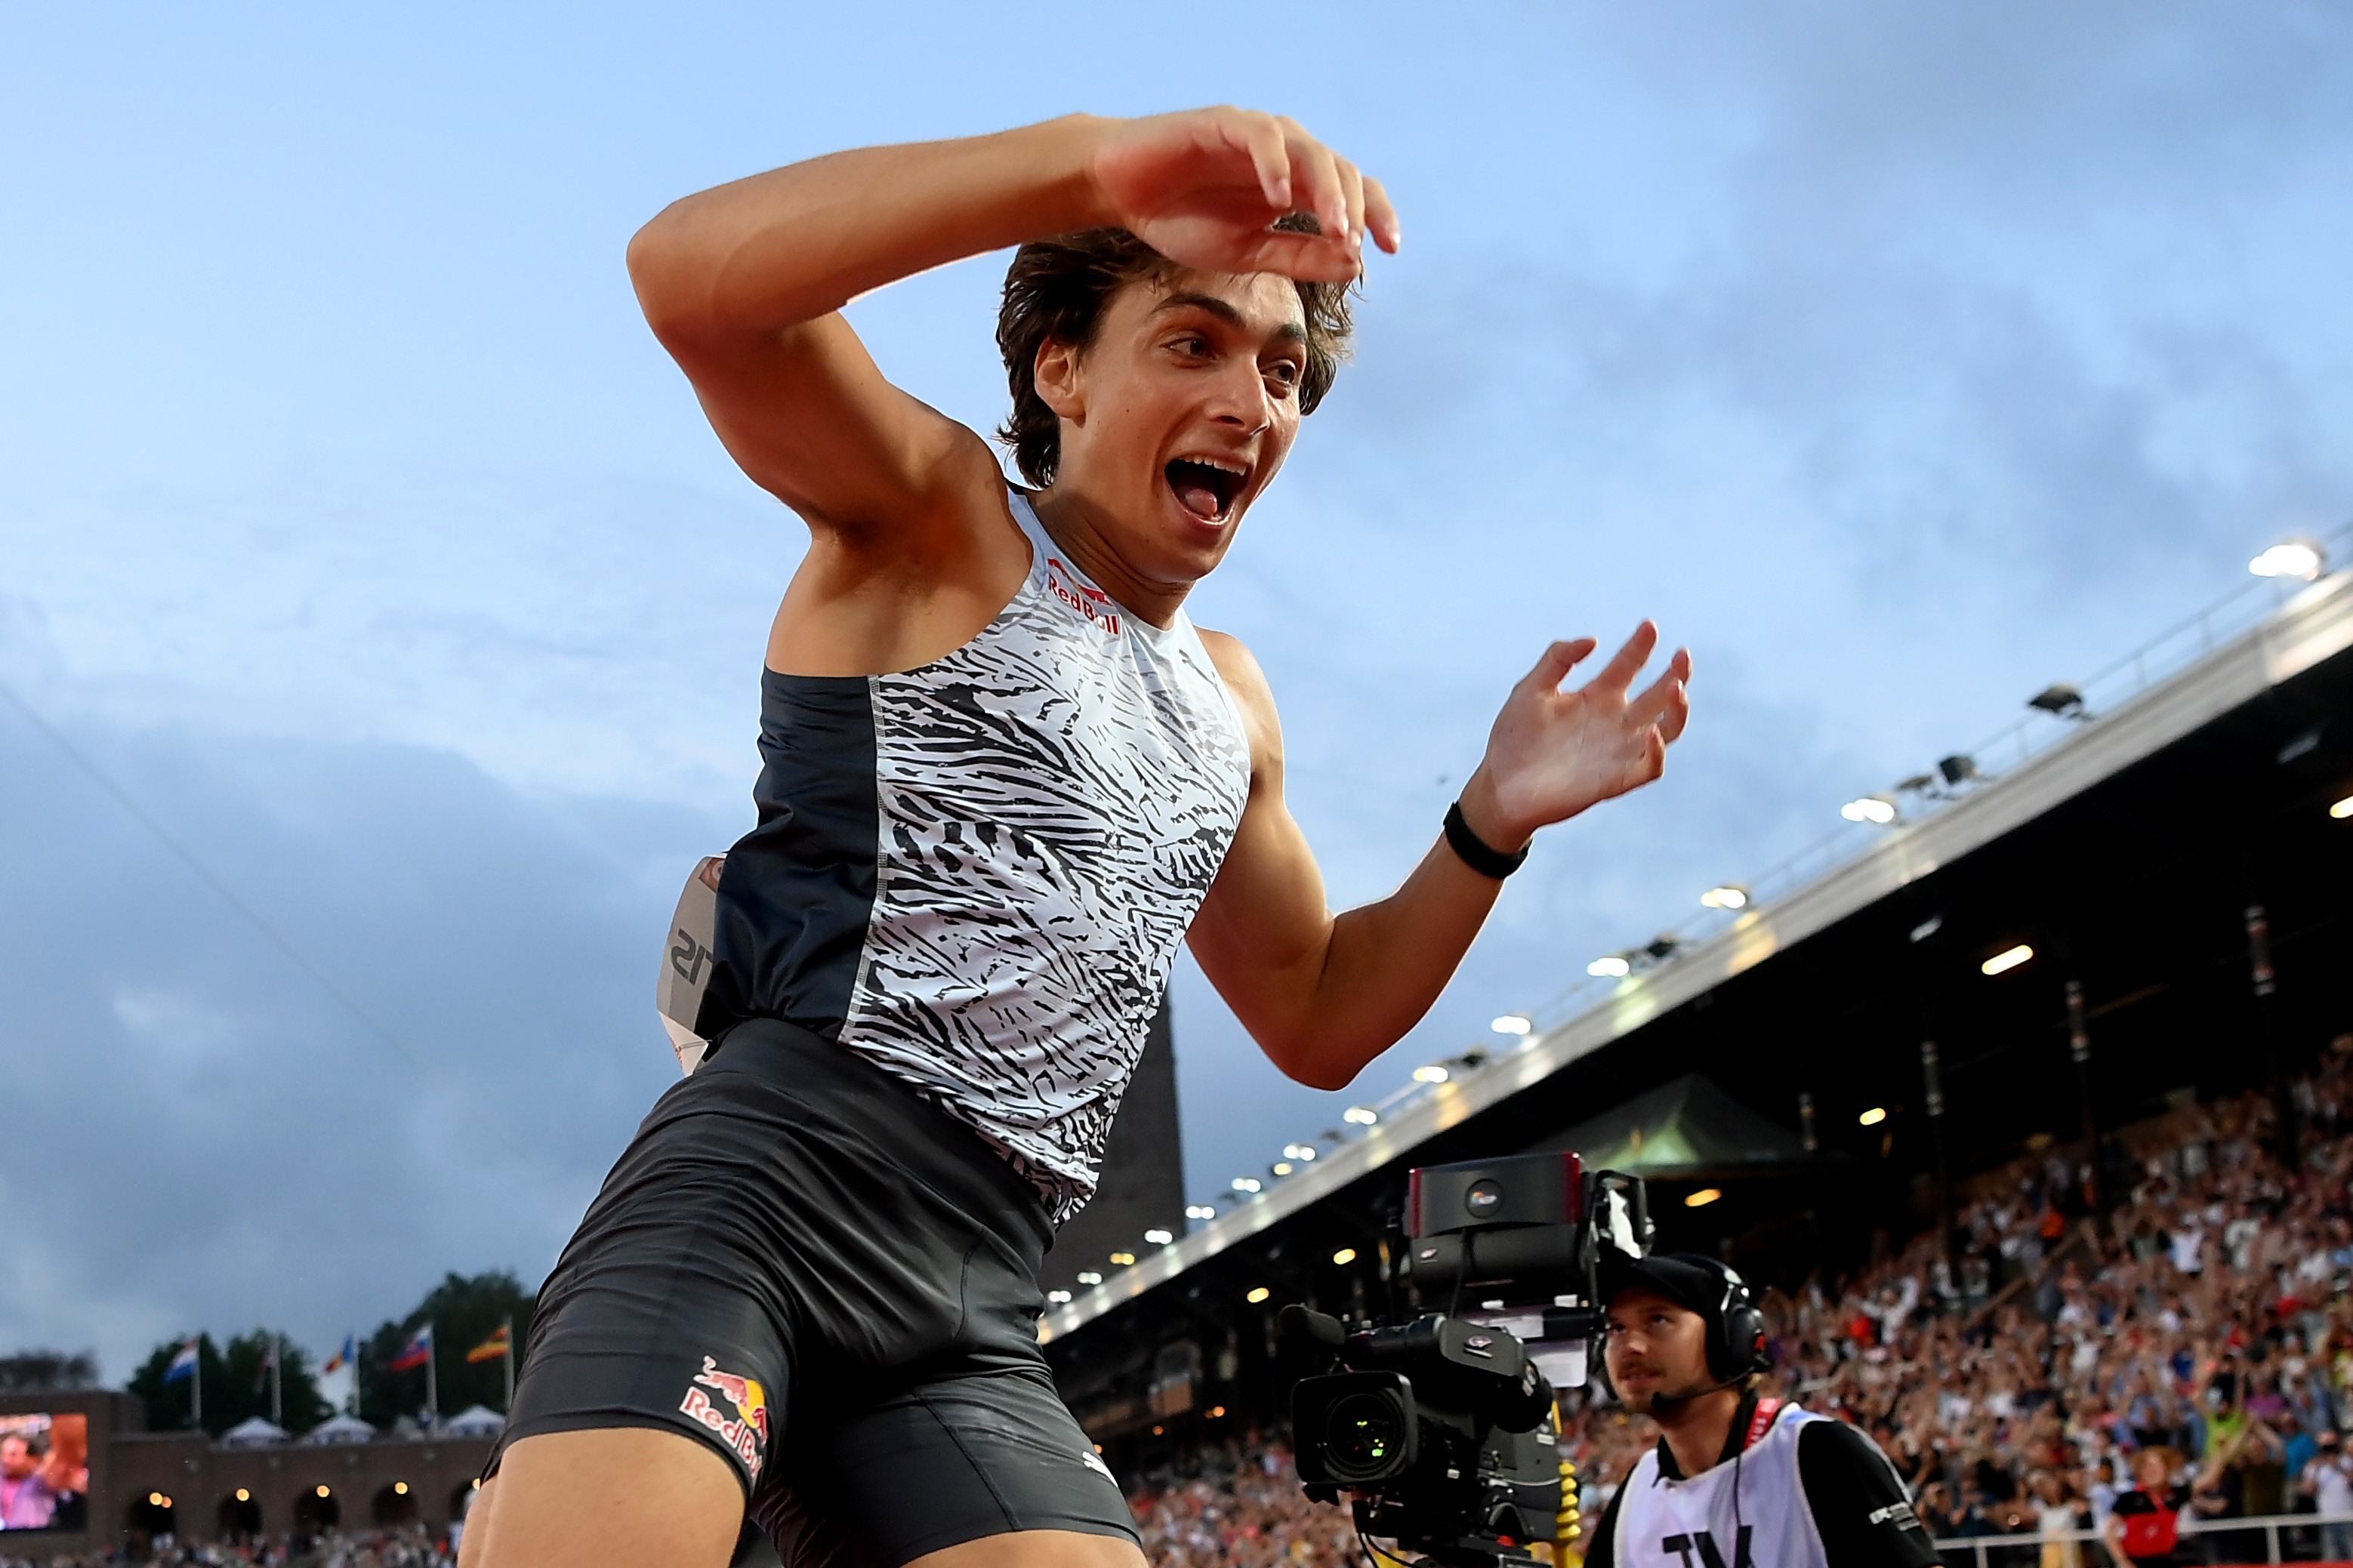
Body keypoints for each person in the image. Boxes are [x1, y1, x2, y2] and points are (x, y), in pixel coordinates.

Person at [459, 108, 1692, 1568]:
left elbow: (1315, 1011)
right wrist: (1094, 173)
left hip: (975, 1302)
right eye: (1193, 342)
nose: (1252, 399)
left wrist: (1487, 823)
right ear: (1062, 371)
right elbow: (688, 276)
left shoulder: (1230, 699)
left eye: (1283, 369)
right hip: (759, 1204)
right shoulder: (941, 521)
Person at [1579, 1253, 1940, 1566]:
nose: (1630, 1346)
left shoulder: (1820, 1454)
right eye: (1616, 1328)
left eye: (1657, 1320)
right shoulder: (1633, 1498)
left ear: (1731, 1337)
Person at [2106, 1448, 2191, 1567]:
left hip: (2167, 1560)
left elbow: (2207, 1481)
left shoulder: (2175, 1495)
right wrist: (2123, 1561)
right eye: (2148, 1466)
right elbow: (2110, 1532)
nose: (2153, 1471)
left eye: (2158, 1465)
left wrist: (2222, 1453)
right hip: (2136, 1562)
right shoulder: (2129, 1498)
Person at [2299, 1429, 2352, 1564]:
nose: (2329, 1450)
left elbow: (2350, 1480)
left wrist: (2337, 1465)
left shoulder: (2348, 1462)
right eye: (2325, 1447)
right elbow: (2308, 1491)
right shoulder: (2314, 1466)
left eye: (2332, 1446)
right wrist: (2317, 1469)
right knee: (2331, 1561)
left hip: (2349, 1519)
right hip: (2326, 1520)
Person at [0, 1434, 57, 1531]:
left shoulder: (41, 1481)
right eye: (3, 1454)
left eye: (13, 1455)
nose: (5, 1460)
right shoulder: (3, 1478)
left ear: (33, 1459)